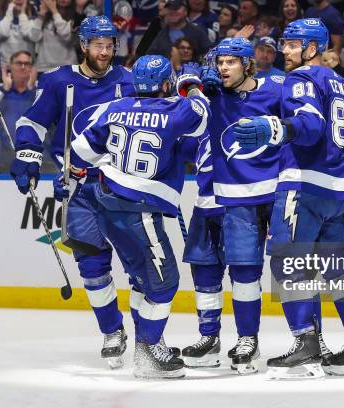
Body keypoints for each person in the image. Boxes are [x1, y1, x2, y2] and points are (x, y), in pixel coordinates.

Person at [233, 18, 344, 379]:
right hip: (336, 189)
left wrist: (275, 127)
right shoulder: (339, 82)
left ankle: (306, 341)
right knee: (336, 267)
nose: (285, 49)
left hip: (303, 185)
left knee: (290, 264)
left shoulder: (301, 79)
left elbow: (309, 128)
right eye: (285, 43)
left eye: (293, 44)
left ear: (312, 48)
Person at [69, 54, 210, 378]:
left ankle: (150, 343)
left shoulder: (115, 108)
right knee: (164, 284)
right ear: (164, 84)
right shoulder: (174, 109)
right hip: (141, 210)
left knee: (144, 281)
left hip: (108, 204)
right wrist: (191, 83)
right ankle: (148, 353)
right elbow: (202, 116)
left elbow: (81, 151)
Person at [11, 16, 137, 370]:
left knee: (139, 266)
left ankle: (148, 337)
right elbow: (33, 122)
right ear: (83, 45)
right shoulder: (57, 81)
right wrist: (27, 155)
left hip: (124, 186)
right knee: (93, 267)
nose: (105, 51)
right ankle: (112, 331)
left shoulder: (128, 81)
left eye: (110, 44)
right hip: (78, 187)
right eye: (98, 44)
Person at [181, 37, 283, 375]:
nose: (223, 68)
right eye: (219, 62)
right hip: (207, 197)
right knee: (204, 271)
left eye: (230, 62)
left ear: (248, 64)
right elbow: (182, 79)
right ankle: (209, 339)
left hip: (246, 197)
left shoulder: (272, 90)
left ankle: (247, 339)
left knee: (244, 271)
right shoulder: (210, 94)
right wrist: (195, 80)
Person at [0, 50, 36, 172]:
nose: (23, 67)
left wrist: (31, 91)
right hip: (3, 155)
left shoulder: (39, 90)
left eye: (27, 64)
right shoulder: (0, 88)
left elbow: (48, 118)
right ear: (10, 67)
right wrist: (5, 90)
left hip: (33, 155)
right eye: (19, 63)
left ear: (32, 68)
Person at [146, 0, 212, 60]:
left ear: (185, 11)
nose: (172, 11)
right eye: (169, 9)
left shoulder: (197, 32)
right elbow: (148, 56)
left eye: (176, 8)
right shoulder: (158, 33)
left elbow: (210, 54)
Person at [26, 0, 78, 74]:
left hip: (67, 68)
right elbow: (34, 37)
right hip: (44, 67)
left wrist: (54, 11)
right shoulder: (45, 15)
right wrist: (41, 16)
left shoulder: (76, 16)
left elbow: (65, 36)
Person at [0, 0, 35, 66]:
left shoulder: (33, 21)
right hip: (5, 67)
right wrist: (9, 13)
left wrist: (22, 13)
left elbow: (28, 34)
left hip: (26, 67)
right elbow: (2, 33)